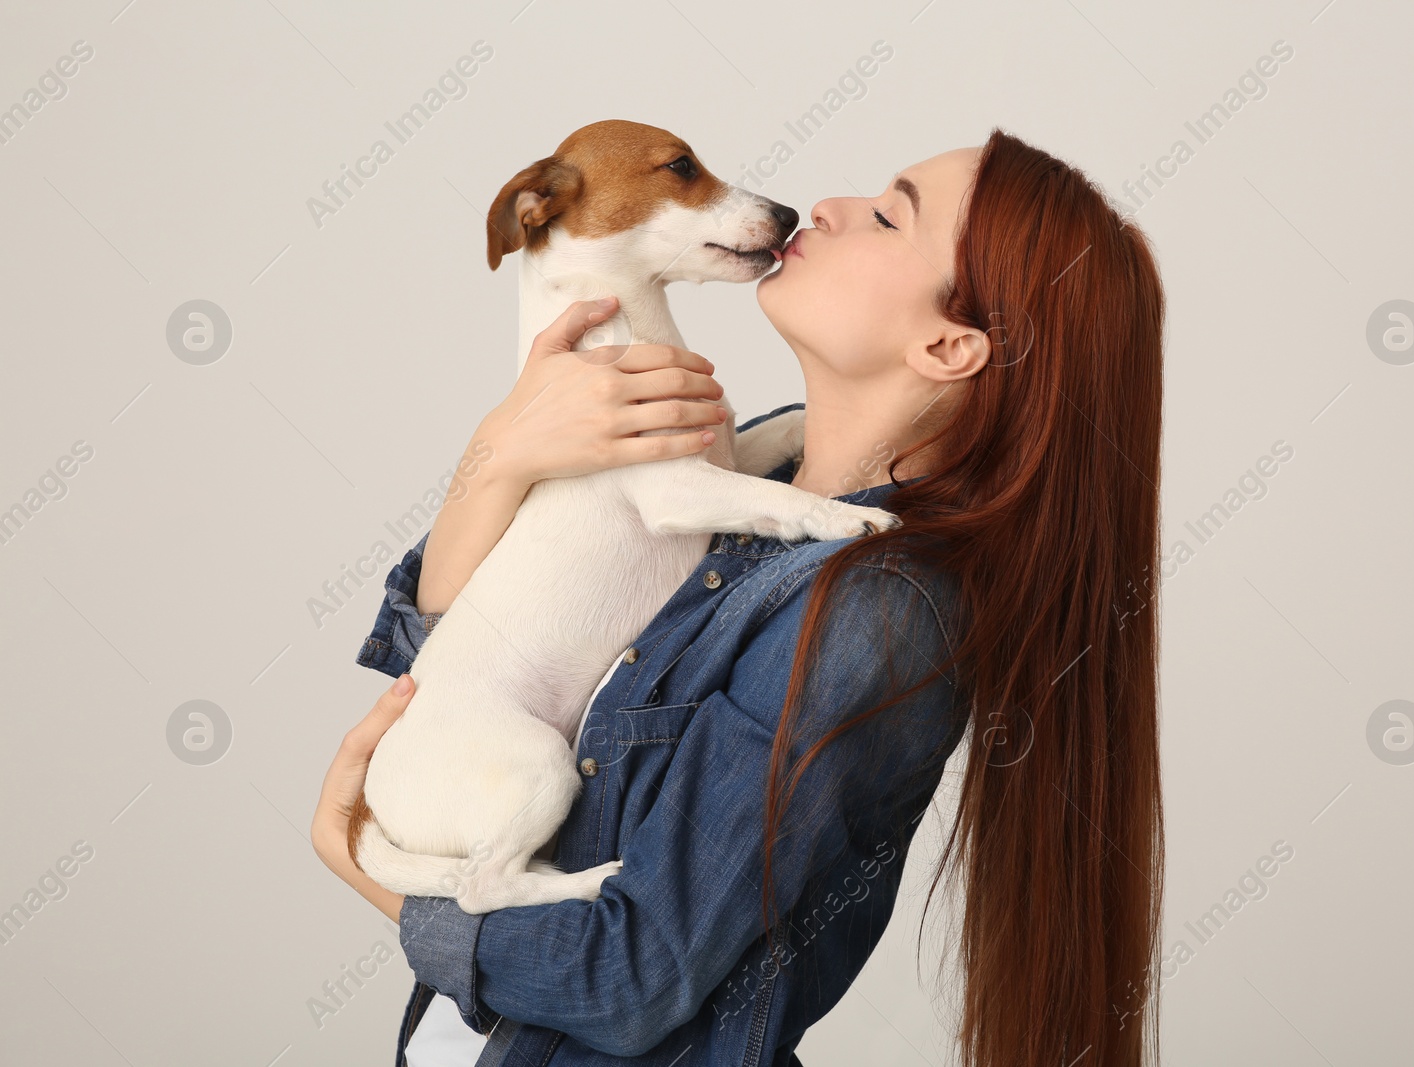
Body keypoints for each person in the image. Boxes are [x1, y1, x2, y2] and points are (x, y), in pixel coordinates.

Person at [312, 126, 1167, 1067]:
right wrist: (502, 452)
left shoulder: (873, 609)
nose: (830, 207)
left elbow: (630, 976)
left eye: (888, 218)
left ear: (948, 343)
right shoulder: (763, 484)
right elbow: (445, 667)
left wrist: (365, 870)